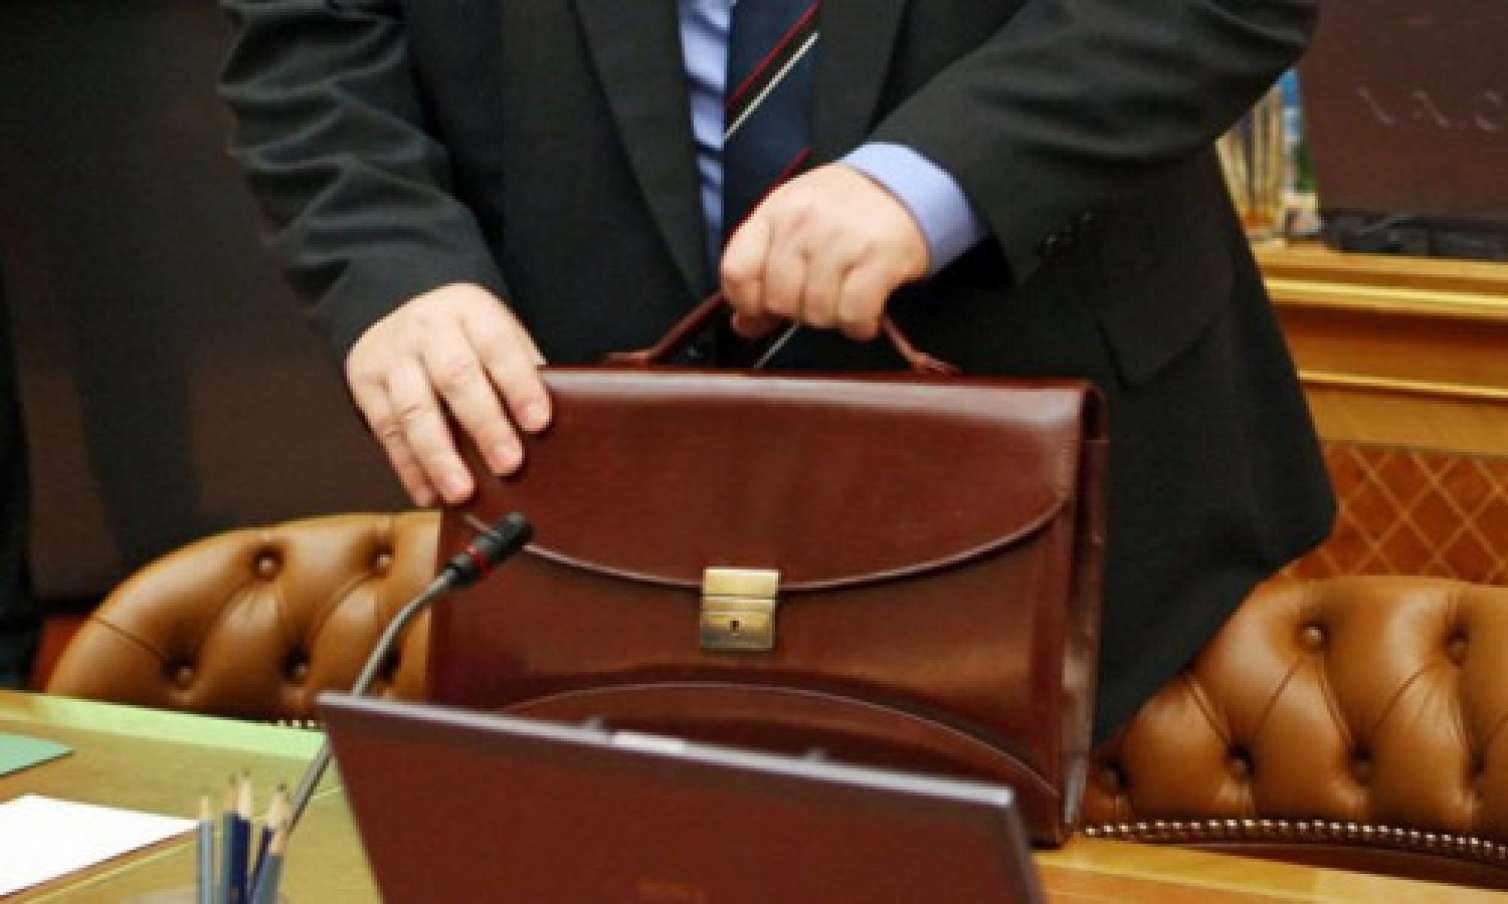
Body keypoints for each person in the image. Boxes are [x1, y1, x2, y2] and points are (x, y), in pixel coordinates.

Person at [218, 0, 1335, 741]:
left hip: (1104, 566)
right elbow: (313, 35)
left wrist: (932, 176)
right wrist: (393, 265)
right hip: (587, 521)